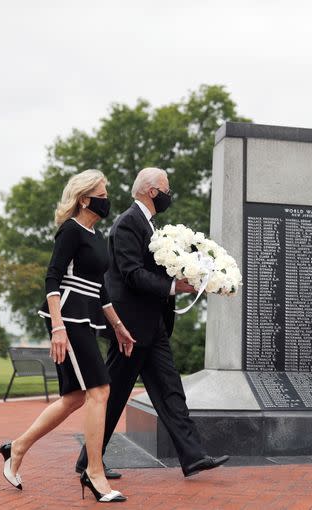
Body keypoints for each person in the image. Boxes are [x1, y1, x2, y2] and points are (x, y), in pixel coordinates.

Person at [75, 167, 229, 477]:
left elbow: (153, 270)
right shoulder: (127, 224)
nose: (170, 194)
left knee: (171, 391)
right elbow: (132, 274)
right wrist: (176, 286)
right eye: (167, 188)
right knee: (115, 395)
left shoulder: (149, 225)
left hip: (153, 327)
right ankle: (87, 461)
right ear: (152, 191)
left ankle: (193, 456)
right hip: (129, 329)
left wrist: (188, 273)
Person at [0, 169, 135, 503]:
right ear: (85, 198)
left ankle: (17, 447)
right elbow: (52, 277)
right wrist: (57, 328)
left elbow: (100, 291)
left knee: (74, 397)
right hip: (67, 317)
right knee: (100, 389)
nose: (107, 198)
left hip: (85, 318)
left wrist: (118, 326)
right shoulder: (70, 231)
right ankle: (94, 472)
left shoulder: (96, 235)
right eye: (103, 192)